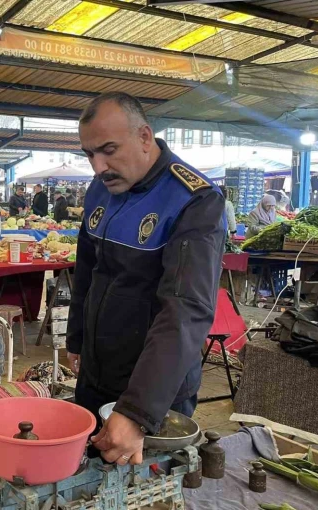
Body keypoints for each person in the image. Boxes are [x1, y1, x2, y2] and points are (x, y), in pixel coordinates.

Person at [67, 92, 225, 467]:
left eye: (108, 150)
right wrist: (76, 341)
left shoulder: (193, 200)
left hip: (155, 390)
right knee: (85, 484)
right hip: (95, 373)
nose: (98, 167)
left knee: (147, 494)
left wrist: (138, 411)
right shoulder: (101, 188)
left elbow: (186, 310)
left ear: (144, 137)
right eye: (89, 154)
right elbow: (87, 270)